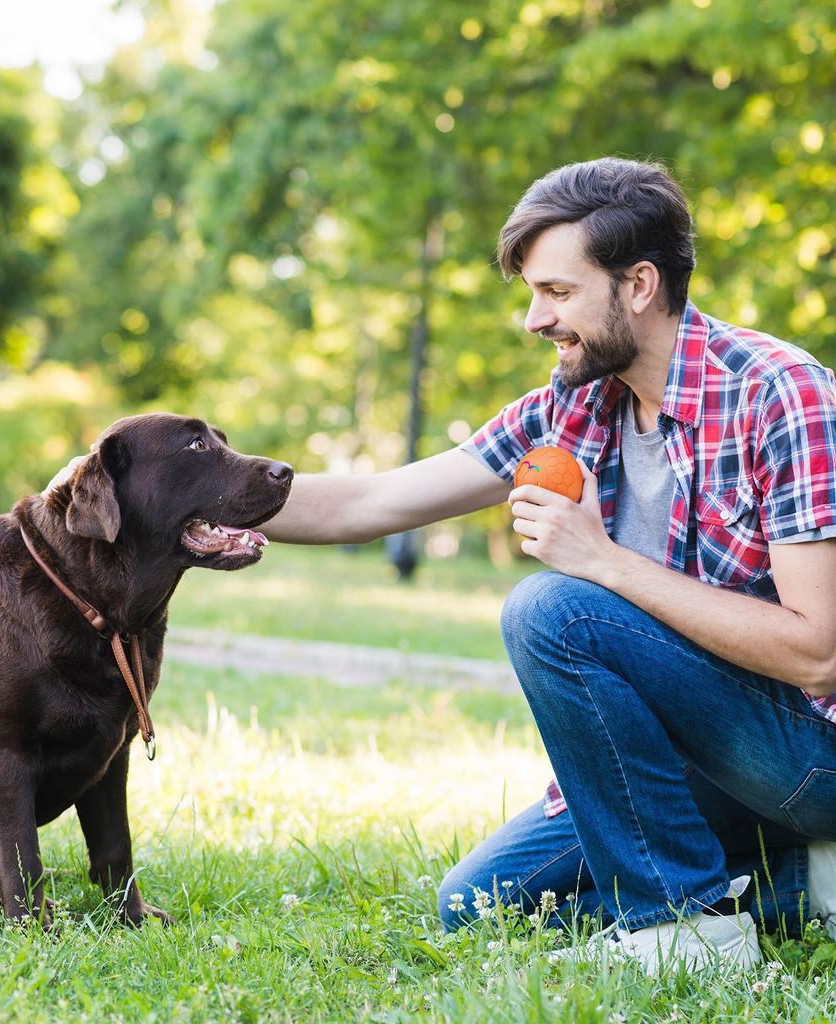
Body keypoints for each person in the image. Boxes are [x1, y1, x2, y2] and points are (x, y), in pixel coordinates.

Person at [262, 157, 836, 973]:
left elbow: (819, 651)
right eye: (533, 293)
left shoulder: (781, 395)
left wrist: (601, 561)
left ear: (638, 284)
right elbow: (372, 503)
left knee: (552, 609)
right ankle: (802, 883)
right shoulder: (575, 401)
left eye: (558, 293)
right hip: (698, 765)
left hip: (809, 753)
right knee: (477, 906)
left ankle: (689, 931)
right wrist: (195, 502)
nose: (535, 319)